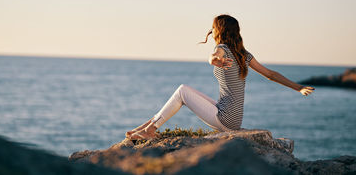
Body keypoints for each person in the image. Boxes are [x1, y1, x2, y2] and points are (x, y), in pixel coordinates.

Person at [125, 14, 315, 141]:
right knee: (183, 92)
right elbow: (271, 74)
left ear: (220, 30)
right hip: (233, 117)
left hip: (225, 118)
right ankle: (143, 128)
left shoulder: (222, 48)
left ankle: (151, 130)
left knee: (182, 91)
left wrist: (215, 60)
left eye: (214, 27)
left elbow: (213, 56)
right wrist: (297, 87)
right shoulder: (243, 54)